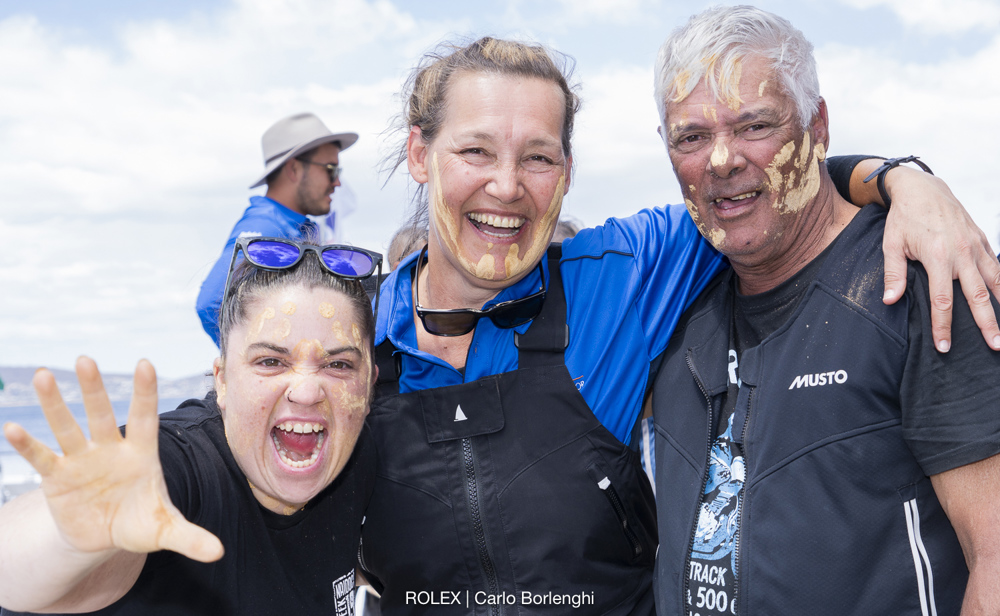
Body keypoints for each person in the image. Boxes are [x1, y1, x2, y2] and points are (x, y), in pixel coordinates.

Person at [357, 36, 1000, 615]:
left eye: (538, 158)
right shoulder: (346, 339)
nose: (506, 186)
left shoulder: (622, 277)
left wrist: (905, 182)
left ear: (568, 172)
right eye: (475, 151)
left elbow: (768, 191)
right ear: (420, 152)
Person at [649, 7, 1000, 615]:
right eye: (692, 136)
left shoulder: (918, 281)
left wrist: (907, 180)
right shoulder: (674, 302)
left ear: (818, 127)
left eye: (755, 125)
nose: (722, 160)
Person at [0, 238, 383, 615]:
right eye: (270, 362)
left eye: (339, 365)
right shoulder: (185, 465)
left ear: (369, 386)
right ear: (222, 381)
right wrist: (73, 536)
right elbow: (13, 569)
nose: (306, 390)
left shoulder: (361, 463)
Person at [196, 112, 359, 345]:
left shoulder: (293, 227)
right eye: (331, 169)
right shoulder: (265, 227)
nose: (337, 182)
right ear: (293, 170)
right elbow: (210, 304)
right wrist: (257, 364)